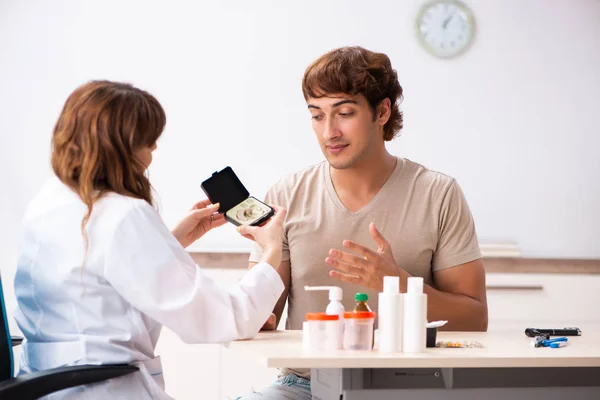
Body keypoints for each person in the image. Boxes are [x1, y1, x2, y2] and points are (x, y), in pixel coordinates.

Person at [239, 46, 488, 399]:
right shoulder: (287, 194)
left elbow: (475, 319)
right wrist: (255, 302)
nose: (329, 132)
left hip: (409, 387)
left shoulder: (437, 193)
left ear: (382, 111)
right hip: (304, 387)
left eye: (344, 113)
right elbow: (263, 319)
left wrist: (398, 284)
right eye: (317, 116)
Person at [13, 80, 286, 399]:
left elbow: (97, 279)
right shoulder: (123, 215)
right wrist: (271, 250)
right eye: (148, 141)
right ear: (121, 148)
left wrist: (170, 241)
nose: (154, 151)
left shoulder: (49, 201)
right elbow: (224, 319)